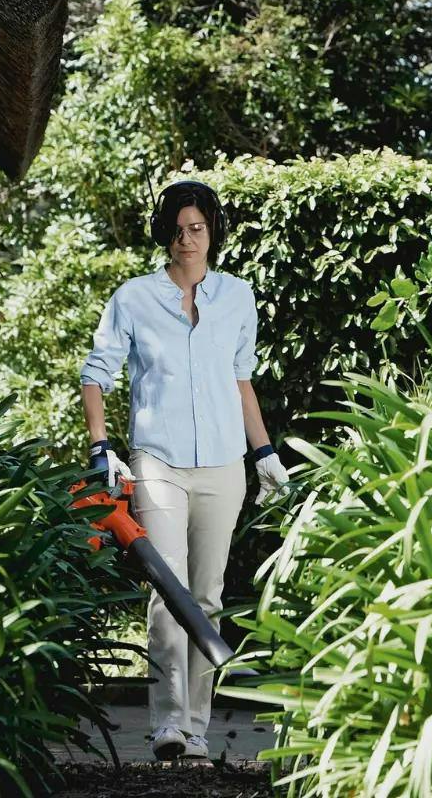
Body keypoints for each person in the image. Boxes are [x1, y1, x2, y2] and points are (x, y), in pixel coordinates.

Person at [79, 178, 291, 761]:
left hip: (224, 463)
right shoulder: (134, 297)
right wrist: (103, 448)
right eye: (177, 231)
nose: (187, 240)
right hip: (157, 461)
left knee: (208, 594)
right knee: (168, 588)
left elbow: (240, 379)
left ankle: (197, 725)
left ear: (212, 231)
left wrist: (265, 453)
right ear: (164, 236)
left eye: (196, 228)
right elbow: (96, 374)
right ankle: (168, 723)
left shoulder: (237, 298)